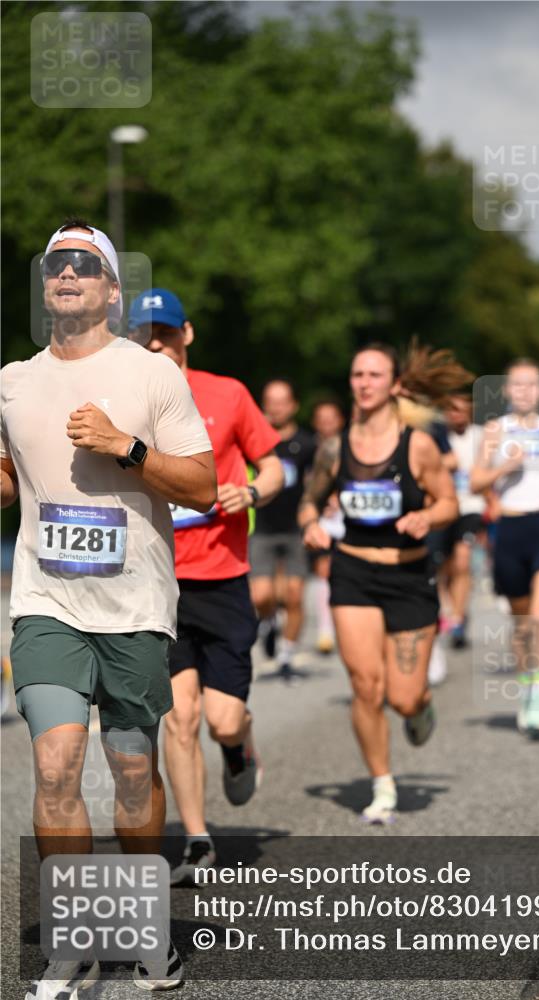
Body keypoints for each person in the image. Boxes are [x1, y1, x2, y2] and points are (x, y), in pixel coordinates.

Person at [1, 221, 217, 996]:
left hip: (134, 605)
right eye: (56, 263)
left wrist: (126, 447)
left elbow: (202, 485)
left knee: (131, 773)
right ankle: (70, 943)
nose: (67, 273)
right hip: (46, 601)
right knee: (55, 765)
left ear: (112, 289)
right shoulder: (13, 380)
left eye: (84, 264)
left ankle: (146, 924)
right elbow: (9, 479)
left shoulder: (151, 374)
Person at [127, 289, 283, 886]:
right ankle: (197, 839)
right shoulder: (127, 406)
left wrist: (254, 491)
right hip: (160, 585)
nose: (157, 344)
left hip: (223, 581)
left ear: (186, 334)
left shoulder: (228, 394)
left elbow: (275, 464)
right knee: (180, 717)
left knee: (221, 719)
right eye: (146, 335)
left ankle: (240, 744)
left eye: (166, 333)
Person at [298, 342, 463, 824]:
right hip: (353, 572)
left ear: (394, 385)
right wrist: (311, 523)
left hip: (408, 574)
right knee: (366, 687)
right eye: (358, 375)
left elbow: (449, 502)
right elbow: (310, 500)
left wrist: (428, 516)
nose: (364, 383)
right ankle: (382, 783)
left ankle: (420, 707)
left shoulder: (418, 445)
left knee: (403, 697)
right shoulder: (336, 447)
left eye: (375, 375)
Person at [471, 359, 539, 739]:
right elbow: (475, 481)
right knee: (522, 623)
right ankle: (527, 685)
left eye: (531, 384)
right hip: (510, 530)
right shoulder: (495, 430)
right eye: (517, 384)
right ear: (506, 390)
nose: (524, 391)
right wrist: (503, 469)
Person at [250, 380, 316, 681]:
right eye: (270, 402)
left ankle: (286, 655)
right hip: (261, 527)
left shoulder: (307, 443)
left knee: (294, 596)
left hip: (295, 529)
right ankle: (269, 622)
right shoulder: (254, 441)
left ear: (294, 406)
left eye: (281, 401)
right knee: (261, 595)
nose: (275, 408)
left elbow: (317, 481)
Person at [429, 392, 485, 649]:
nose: (456, 415)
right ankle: (450, 608)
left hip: (471, 506)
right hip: (443, 506)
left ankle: (458, 618)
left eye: (461, 410)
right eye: (451, 410)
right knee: (441, 565)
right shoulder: (438, 437)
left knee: (462, 560)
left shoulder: (480, 436)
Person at [310, 399, 346, 653]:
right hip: (321, 520)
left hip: (347, 519)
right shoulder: (309, 448)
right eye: (322, 419)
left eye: (331, 418)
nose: (326, 424)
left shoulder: (352, 445)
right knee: (323, 569)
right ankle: (325, 629)